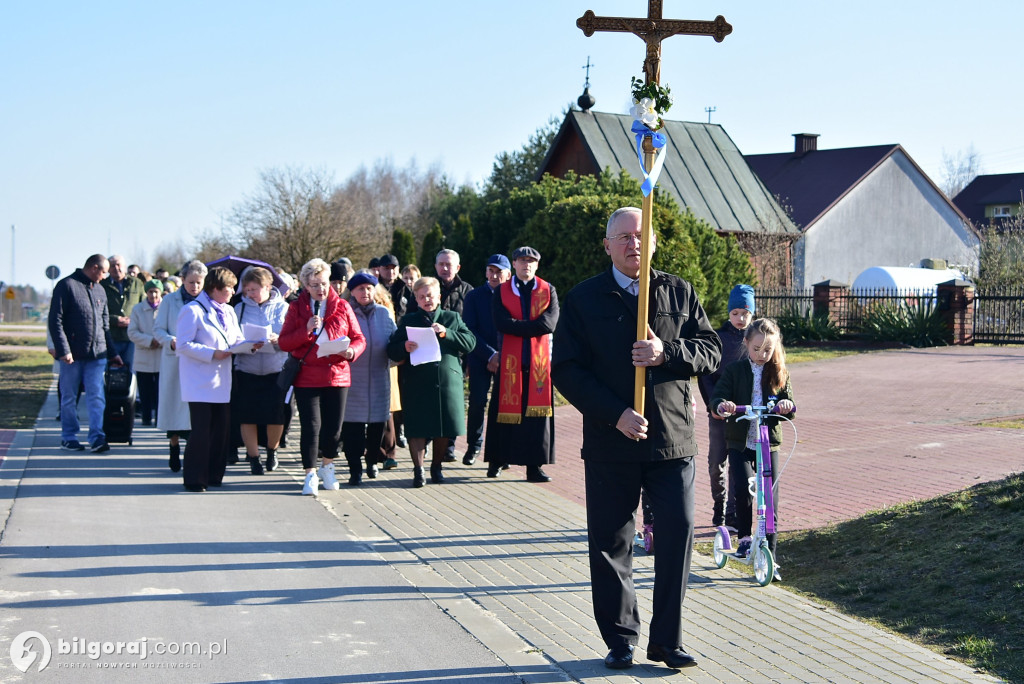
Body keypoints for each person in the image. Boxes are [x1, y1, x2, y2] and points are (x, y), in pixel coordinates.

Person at [551, 207, 721, 671]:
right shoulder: (585, 299)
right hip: (612, 441)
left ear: (653, 242)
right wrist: (615, 414)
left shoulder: (678, 292)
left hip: (672, 441)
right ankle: (621, 638)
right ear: (607, 245)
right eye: (623, 237)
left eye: (641, 235)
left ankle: (667, 641)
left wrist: (668, 352)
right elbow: (565, 368)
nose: (633, 243)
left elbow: (711, 350)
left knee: (678, 535)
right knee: (611, 543)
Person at [710, 317, 796, 583]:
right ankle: (745, 538)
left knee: (770, 501)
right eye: (757, 349)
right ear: (747, 343)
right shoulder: (735, 371)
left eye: (768, 350)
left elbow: (789, 402)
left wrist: (785, 406)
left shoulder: (779, 372)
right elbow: (718, 396)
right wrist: (723, 405)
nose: (762, 355)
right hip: (741, 442)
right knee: (745, 491)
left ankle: (770, 553)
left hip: (767, 442)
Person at [279, 258, 366, 496]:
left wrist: (351, 352)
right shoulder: (296, 308)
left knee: (334, 429)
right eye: (315, 284)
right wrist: (305, 329)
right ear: (305, 286)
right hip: (307, 375)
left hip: (337, 375)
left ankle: (328, 466)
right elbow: (284, 342)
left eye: (324, 283)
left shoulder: (343, 306)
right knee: (311, 427)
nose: (321, 289)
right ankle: (310, 474)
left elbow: (359, 339)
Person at [387, 276, 475, 487]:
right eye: (421, 297)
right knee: (417, 427)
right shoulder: (408, 321)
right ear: (416, 300)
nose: (426, 300)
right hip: (417, 381)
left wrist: (446, 333)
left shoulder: (452, 317)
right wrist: (404, 347)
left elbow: (470, 343)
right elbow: (391, 348)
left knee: (443, 427)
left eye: (430, 296)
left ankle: (436, 467)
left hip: (446, 382)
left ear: (439, 297)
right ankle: (419, 470)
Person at [485, 247, 558, 482]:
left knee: (536, 420)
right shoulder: (503, 291)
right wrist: (530, 327)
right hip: (509, 365)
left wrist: (520, 327)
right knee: (502, 416)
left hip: (538, 367)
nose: (526, 264)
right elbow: (501, 322)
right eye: (521, 260)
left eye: (531, 261)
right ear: (513, 264)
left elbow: (550, 323)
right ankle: (497, 461)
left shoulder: (548, 290)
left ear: (537, 265)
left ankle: (534, 467)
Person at [176, 266, 250, 492]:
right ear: (215, 288)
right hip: (199, 381)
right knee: (201, 431)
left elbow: (236, 338)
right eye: (230, 288)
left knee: (220, 431)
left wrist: (250, 345)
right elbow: (183, 344)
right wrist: (212, 353)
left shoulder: (228, 311)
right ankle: (195, 478)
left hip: (221, 380)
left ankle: (215, 474)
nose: (233, 292)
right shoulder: (192, 310)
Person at [48, 254, 124, 453]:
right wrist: (64, 350)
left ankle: (97, 437)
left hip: (97, 355)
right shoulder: (66, 286)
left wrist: (112, 353)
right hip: (72, 356)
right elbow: (55, 320)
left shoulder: (100, 290)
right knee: (69, 397)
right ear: (94, 268)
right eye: (104, 271)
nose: (105, 276)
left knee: (96, 396)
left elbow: (105, 325)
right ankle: (69, 436)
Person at [697, 284, 756, 530]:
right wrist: (714, 404)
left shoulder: (756, 340)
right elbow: (705, 374)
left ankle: (733, 513)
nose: (740, 319)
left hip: (746, 415)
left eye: (745, 313)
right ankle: (719, 506)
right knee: (716, 462)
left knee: (739, 464)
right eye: (735, 313)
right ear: (728, 313)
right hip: (720, 413)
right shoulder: (718, 339)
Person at [341, 272, 397, 484]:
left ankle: (372, 461)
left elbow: (393, 341)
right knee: (352, 428)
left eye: (369, 288)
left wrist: (398, 356)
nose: (365, 292)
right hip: (353, 379)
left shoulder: (384, 313)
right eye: (360, 289)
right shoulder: (345, 312)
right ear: (352, 292)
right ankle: (354, 468)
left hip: (378, 377)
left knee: (377, 426)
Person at [233, 266, 289, 474]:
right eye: (247, 290)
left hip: (275, 368)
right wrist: (245, 344)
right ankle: (254, 457)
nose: (250, 294)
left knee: (275, 415)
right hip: (247, 368)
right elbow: (233, 338)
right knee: (248, 415)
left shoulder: (283, 308)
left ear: (267, 287)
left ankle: (272, 451)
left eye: (254, 289)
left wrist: (278, 339)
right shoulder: (240, 309)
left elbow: (291, 339)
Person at [154, 260, 207, 472]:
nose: (195, 287)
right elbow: (158, 329)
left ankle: (192, 451)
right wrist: (171, 340)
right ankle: (174, 445)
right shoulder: (169, 301)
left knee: (194, 410)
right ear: (182, 280)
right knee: (175, 407)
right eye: (191, 282)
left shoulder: (207, 301)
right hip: (175, 359)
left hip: (199, 361)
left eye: (199, 282)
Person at [461, 254, 511, 465]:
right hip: (480, 356)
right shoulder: (474, 296)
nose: (494, 275)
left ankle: (502, 451)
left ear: (508, 275)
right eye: (490, 270)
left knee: (504, 406)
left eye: (498, 271)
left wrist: (501, 355)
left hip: (508, 358)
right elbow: (469, 329)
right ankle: (474, 447)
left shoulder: (513, 296)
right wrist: (491, 354)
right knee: (477, 403)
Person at [127, 279, 164, 427]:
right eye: (150, 291)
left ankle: (160, 418)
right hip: (144, 355)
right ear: (146, 292)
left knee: (160, 390)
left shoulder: (165, 308)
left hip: (162, 355)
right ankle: (146, 417)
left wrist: (161, 340)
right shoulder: (138, 309)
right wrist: (149, 341)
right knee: (145, 390)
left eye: (156, 291)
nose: (153, 294)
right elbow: (132, 332)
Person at [103, 254, 146, 371]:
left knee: (131, 371)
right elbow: (99, 313)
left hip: (132, 336)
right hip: (112, 336)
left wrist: (133, 320)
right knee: (112, 372)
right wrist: (115, 320)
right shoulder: (103, 286)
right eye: (112, 266)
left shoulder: (136, 283)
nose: (116, 268)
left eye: (118, 265)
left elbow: (144, 307)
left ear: (124, 266)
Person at [377, 254, 412, 318]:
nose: (390, 271)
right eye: (386, 268)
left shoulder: (405, 289)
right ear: (379, 269)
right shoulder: (374, 289)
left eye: (393, 268)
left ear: (398, 269)